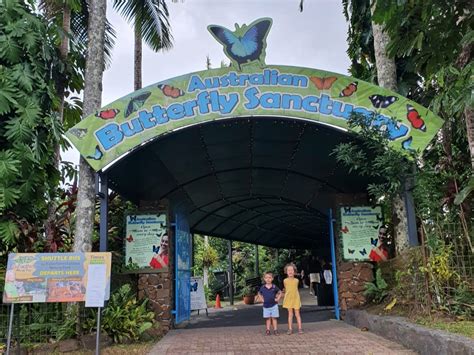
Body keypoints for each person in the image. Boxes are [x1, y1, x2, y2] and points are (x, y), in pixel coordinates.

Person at [282, 263, 303, 334]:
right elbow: (286, 289)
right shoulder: (285, 280)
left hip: (296, 299)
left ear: (294, 271)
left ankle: (300, 328)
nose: (290, 272)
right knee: (290, 314)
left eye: (292, 270)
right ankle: (290, 329)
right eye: (288, 270)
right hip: (288, 299)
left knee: (297, 314)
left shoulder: (297, 280)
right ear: (286, 272)